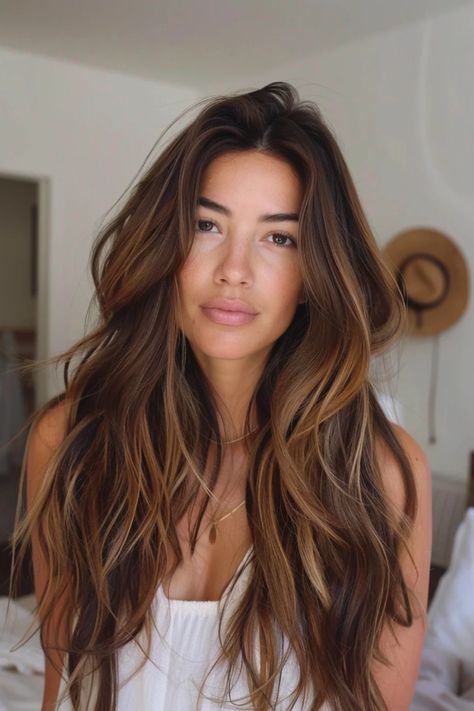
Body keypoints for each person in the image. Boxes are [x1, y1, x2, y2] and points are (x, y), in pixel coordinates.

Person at [11, 81, 432, 711]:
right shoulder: (74, 442)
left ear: (314, 275)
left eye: (278, 237)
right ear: (166, 246)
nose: (234, 269)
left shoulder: (377, 473)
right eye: (207, 225)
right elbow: (64, 690)